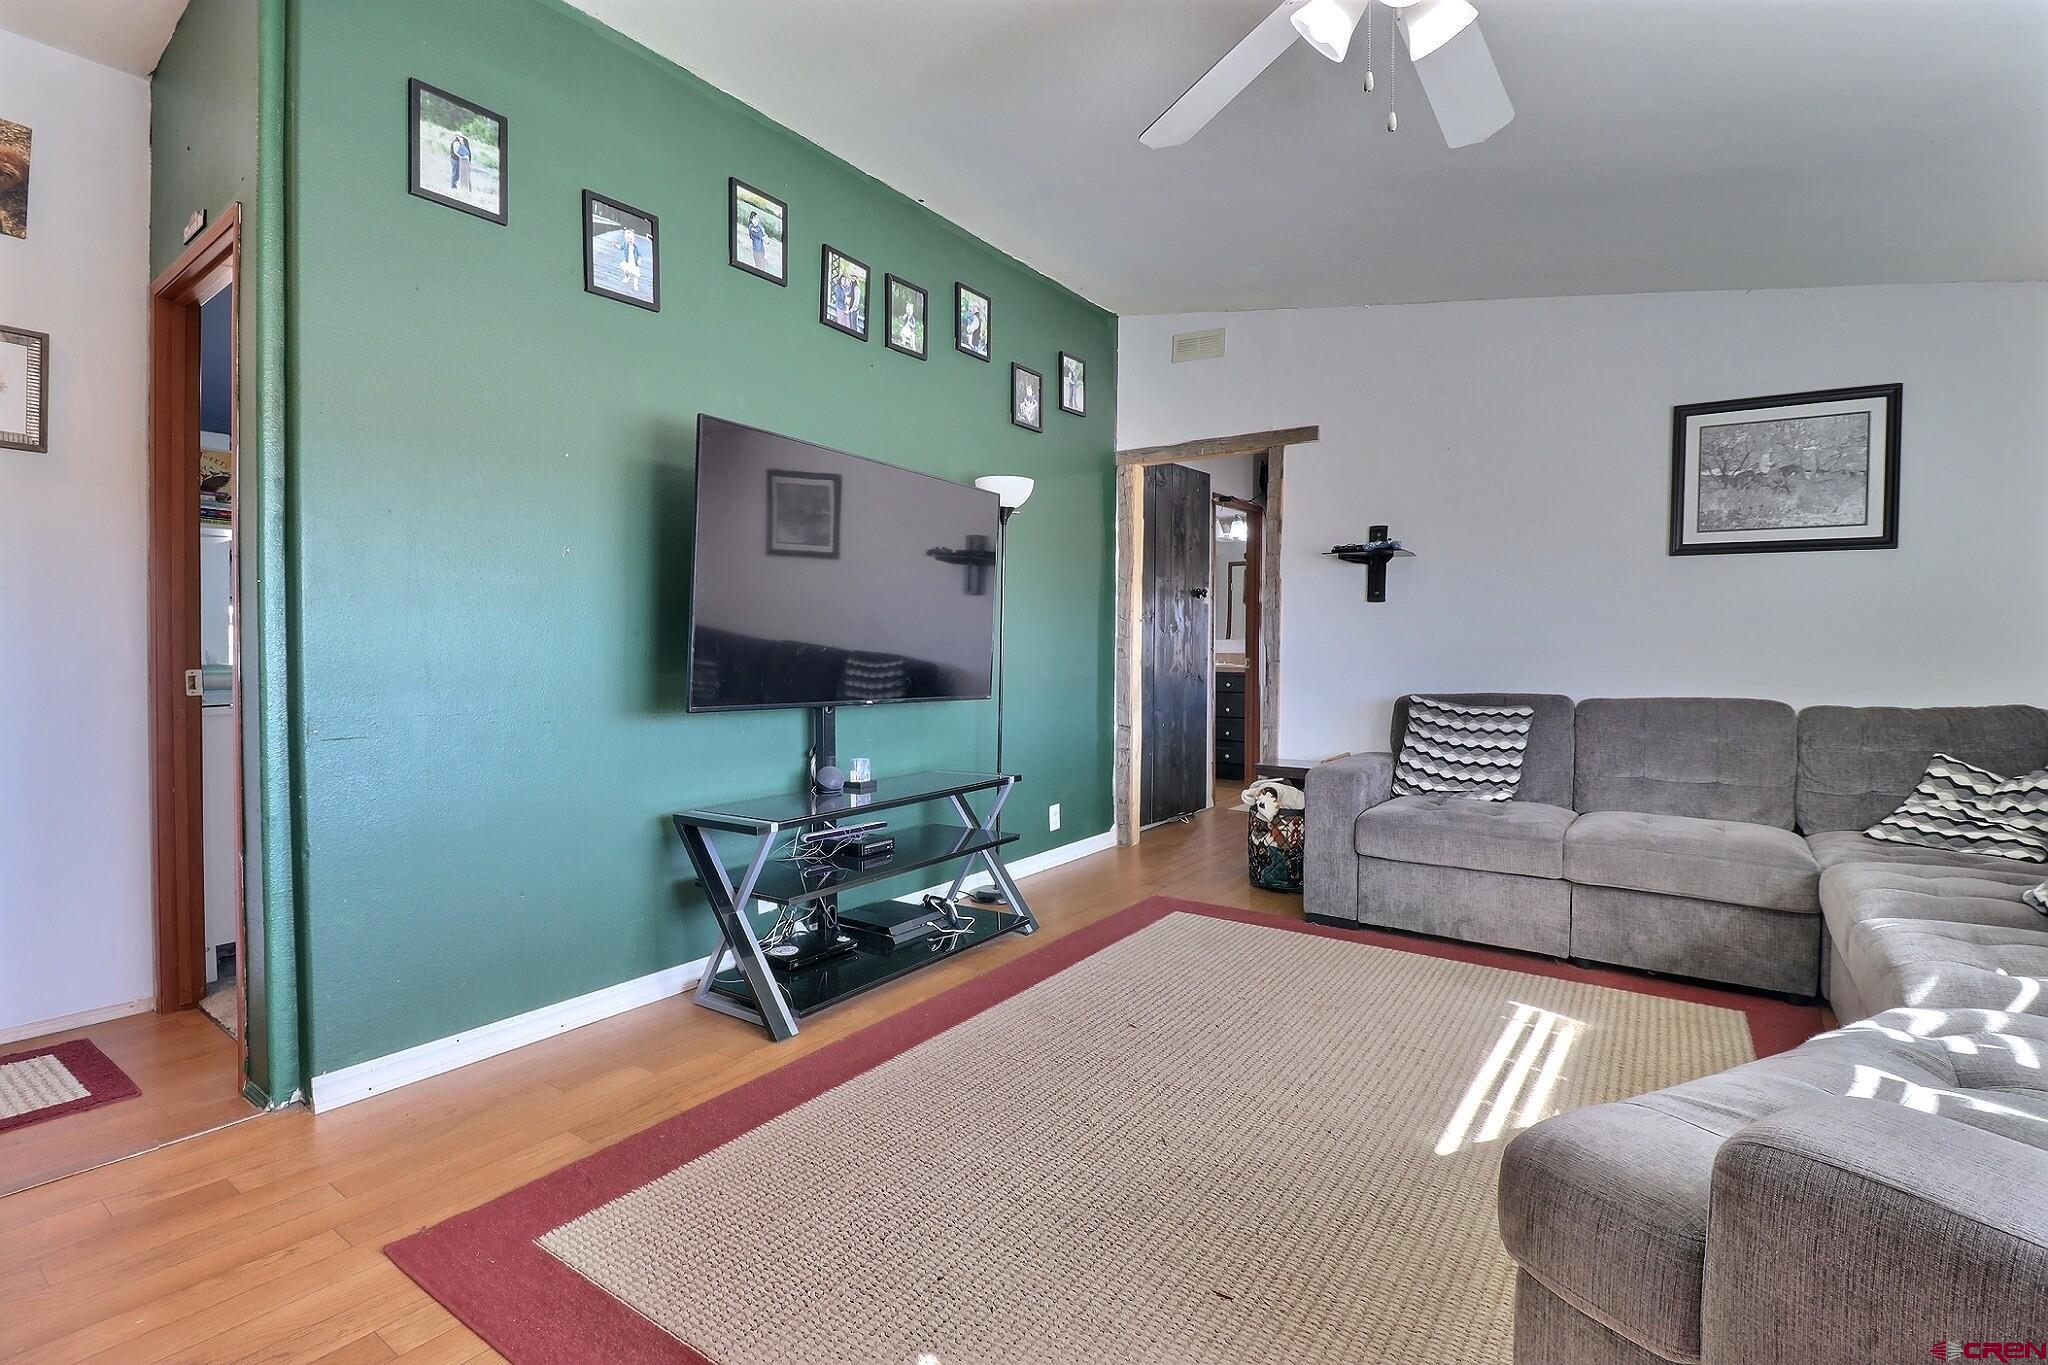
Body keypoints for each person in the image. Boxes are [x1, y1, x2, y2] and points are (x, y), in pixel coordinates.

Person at [619, 225, 644, 294]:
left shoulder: (635, 246)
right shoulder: (625, 244)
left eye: (631, 239)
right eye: (628, 238)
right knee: (625, 268)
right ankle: (627, 277)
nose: (630, 240)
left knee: (635, 275)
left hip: (634, 262)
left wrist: (639, 260)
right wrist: (616, 245)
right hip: (627, 261)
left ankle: (636, 285)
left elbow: (640, 255)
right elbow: (621, 247)